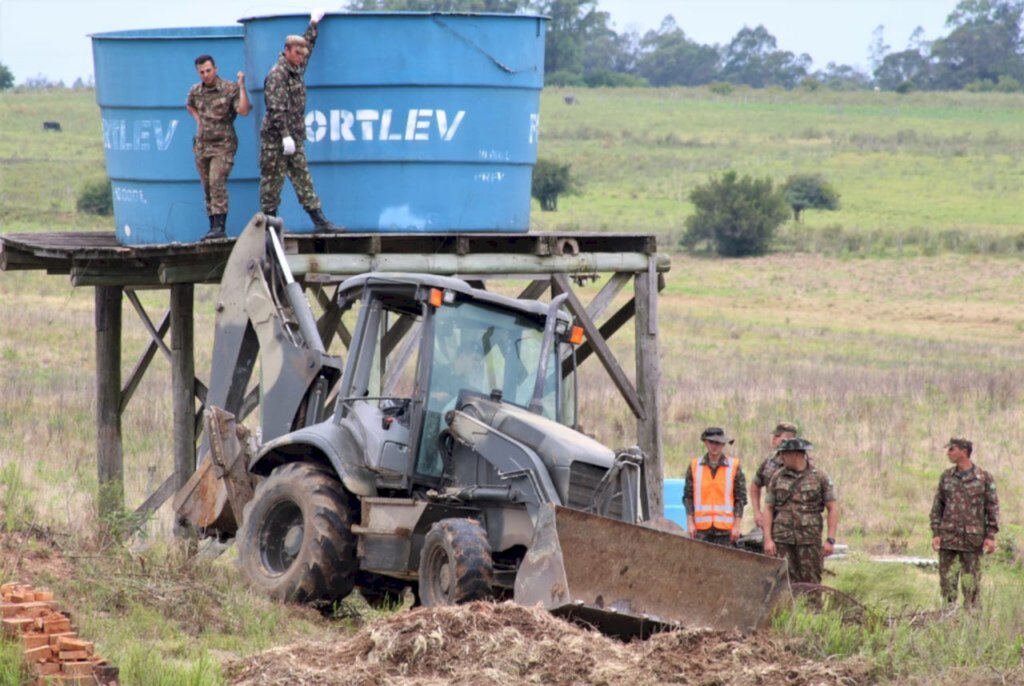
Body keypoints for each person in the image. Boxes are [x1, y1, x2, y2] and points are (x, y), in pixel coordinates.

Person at [259, 9, 341, 232]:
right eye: (297, 54)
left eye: (302, 55)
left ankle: (319, 221)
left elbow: (308, 47)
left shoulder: (296, 67)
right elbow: (276, 109)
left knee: (303, 179)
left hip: (294, 137)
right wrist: (285, 136)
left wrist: (314, 22)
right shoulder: (278, 74)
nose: (301, 58)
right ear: (286, 51)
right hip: (276, 139)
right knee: (271, 184)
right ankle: (269, 227)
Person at [186, 54, 250, 240]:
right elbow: (189, 105)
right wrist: (198, 121)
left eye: (208, 70)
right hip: (202, 145)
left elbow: (244, 110)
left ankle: (220, 227)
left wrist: (242, 86)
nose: (206, 75)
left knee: (216, 182)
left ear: (216, 69)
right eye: (202, 72)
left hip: (223, 145)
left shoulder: (229, 89)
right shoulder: (196, 91)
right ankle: (212, 226)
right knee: (207, 187)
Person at [929, 437, 999, 608]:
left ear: (964, 451)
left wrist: (990, 536)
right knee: (947, 586)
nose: (948, 453)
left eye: (952, 449)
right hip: (949, 540)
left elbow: (992, 508)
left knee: (972, 588)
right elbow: (938, 507)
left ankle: (972, 626)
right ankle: (949, 621)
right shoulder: (946, 477)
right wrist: (936, 533)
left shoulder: (984, 478)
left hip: (972, 542)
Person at [763, 438, 838, 584]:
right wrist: (768, 539)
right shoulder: (777, 477)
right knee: (784, 583)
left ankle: (812, 608)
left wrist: (830, 539)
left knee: (811, 583)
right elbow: (768, 508)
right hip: (782, 540)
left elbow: (833, 508)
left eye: (784, 454)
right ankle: (788, 608)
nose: (781, 457)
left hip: (809, 540)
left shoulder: (819, 477)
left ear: (796, 454)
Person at [683, 427, 747, 547]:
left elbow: (740, 498)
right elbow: (688, 497)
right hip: (701, 531)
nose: (714, 446)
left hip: (725, 532)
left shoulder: (734, 466)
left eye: (718, 443)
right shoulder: (694, 465)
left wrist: (736, 526)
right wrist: (690, 524)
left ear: (723, 444)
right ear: (705, 443)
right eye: (711, 442)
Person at [750, 422, 798, 529]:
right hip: (771, 520)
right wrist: (757, 512)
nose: (773, 439)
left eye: (777, 436)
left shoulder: (801, 463)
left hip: (795, 524)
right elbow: (755, 485)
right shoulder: (770, 461)